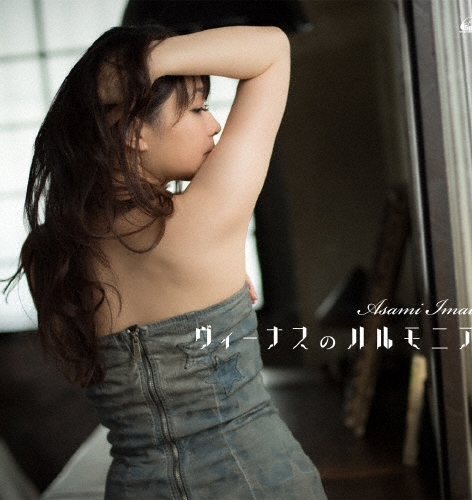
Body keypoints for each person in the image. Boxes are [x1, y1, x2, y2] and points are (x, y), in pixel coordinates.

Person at [7, 25, 327, 499]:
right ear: (135, 131)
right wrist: (143, 66)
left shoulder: (46, 256)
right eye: (197, 108)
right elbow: (271, 50)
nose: (213, 124)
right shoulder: (202, 220)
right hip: (256, 481)